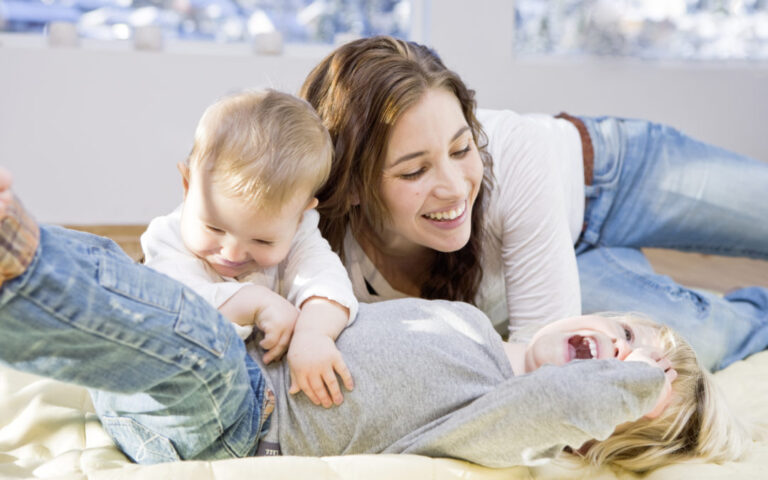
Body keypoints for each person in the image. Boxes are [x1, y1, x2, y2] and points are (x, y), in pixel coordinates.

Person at [0, 168, 748, 473]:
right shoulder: (473, 329)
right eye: (623, 332)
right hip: (201, 379)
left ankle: (22, 256)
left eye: (626, 372)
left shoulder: (499, 428)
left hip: (239, 414)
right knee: (145, 305)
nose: (618, 349)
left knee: (176, 332)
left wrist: (633, 383)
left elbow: (550, 406)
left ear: (585, 430)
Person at [300, 35, 768, 372]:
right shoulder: (320, 250)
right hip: (552, 269)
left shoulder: (513, 149)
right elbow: (547, 365)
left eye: (462, 149)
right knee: (704, 339)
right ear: (353, 184)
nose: (455, 187)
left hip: (608, 174)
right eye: (414, 171)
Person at [140, 89, 358, 408]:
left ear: (300, 216)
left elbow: (327, 280)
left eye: (262, 241)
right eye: (214, 228)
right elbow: (174, 309)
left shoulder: (298, 233)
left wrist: (314, 333)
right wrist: (253, 302)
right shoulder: (167, 238)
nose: (232, 253)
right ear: (187, 186)